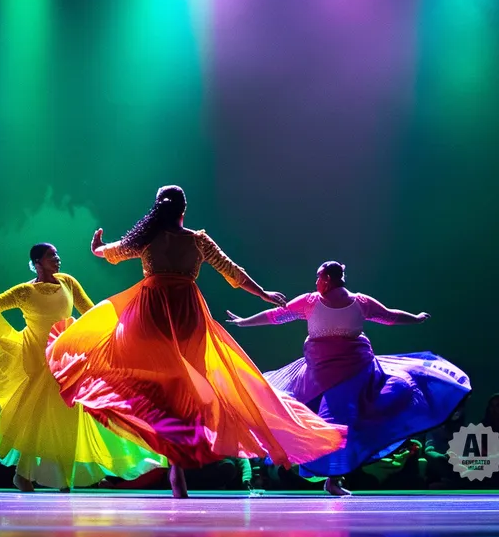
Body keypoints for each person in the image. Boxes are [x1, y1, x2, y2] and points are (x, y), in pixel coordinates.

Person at [47, 185, 346, 498]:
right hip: (187, 316)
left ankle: (174, 456)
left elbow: (115, 251)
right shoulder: (197, 241)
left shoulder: (148, 237)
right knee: (186, 389)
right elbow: (233, 272)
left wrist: (98, 247)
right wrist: (263, 294)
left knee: (152, 384)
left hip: (150, 315)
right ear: (183, 211)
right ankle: (177, 460)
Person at [228, 261, 471, 495]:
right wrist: (245, 321)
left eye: (318, 277)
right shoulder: (348, 302)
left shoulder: (325, 302)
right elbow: (390, 316)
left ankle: (333, 478)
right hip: (321, 371)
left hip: (352, 372)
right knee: (322, 419)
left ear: (327, 279)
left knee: (339, 424)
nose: (315, 281)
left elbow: (390, 316)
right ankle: (326, 475)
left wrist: (414, 318)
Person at [0, 244, 165, 491]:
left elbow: (89, 310)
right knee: (38, 417)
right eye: (51, 256)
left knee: (67, 416)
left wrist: (114, 330)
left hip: (68, 358)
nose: (57, 258)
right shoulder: (25, 291)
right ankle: (28, 474)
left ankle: (56, 477)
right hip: (37, 359)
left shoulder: (67, 282)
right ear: (37, 262)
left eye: (57, 254)